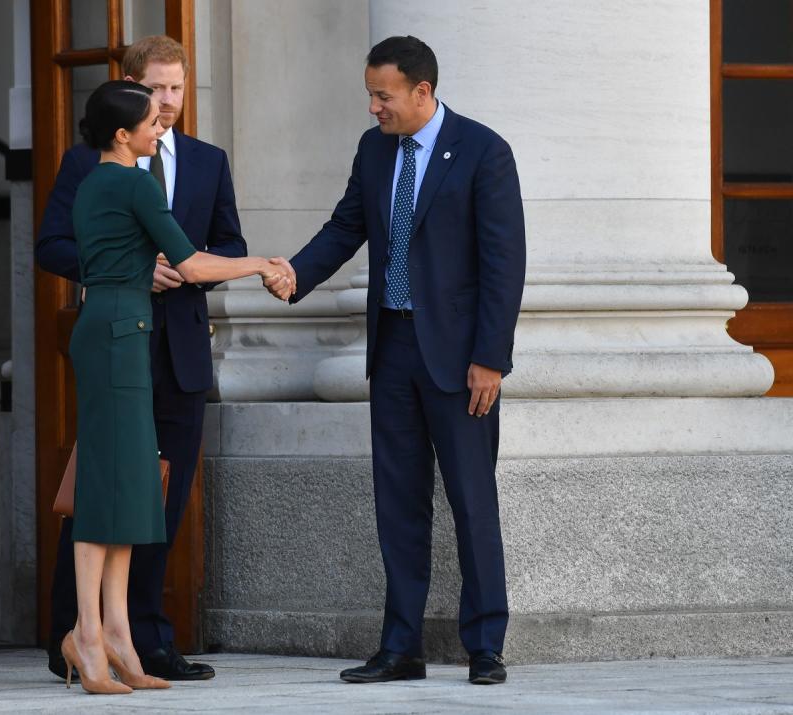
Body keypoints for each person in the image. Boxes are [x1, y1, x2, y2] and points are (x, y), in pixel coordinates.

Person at [266, 36, 526, 685]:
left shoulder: (483, 151)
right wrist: (295, 274)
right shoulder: (373, 149)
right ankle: (401, 646)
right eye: (370, 95)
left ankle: (485, 644)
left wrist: (490, 357)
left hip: (460, 359)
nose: (374, 107)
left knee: (472, 500)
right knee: (399, 503)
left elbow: (504, 265)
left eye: (383, 95)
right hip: (395, 349)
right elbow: (345, 226)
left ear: (422, 91)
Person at [37, 36, 284, 682]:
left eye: (178, 88)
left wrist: (171, 266)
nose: (169, 105)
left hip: (170, 346)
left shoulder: (199, 162)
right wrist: (254, 265)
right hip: (123, 338)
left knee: (146, 500)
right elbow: (59, 245)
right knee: (107, 489)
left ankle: (131, 634)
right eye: (158, 93)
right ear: (130, 104)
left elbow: (213, 243)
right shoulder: (97, 169)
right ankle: (81, 631)